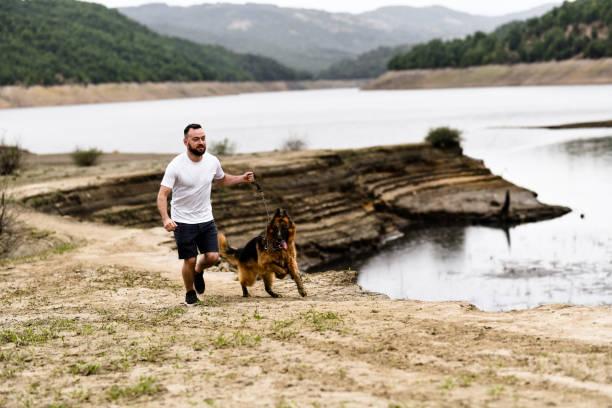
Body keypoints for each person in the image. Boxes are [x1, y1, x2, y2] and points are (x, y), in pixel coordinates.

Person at [157, 123, 254, 306]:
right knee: (190, 258)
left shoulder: (212, 161)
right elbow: (162, 194)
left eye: (203, 138)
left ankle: (199, 270)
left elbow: (222, 179)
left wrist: (242, 178)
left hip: (206, 219)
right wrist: (166, 218)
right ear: (186, 142)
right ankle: (189, 292)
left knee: (212, 257)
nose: (201, 142)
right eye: (196, 139)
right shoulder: (176, 165)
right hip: (182, 220)